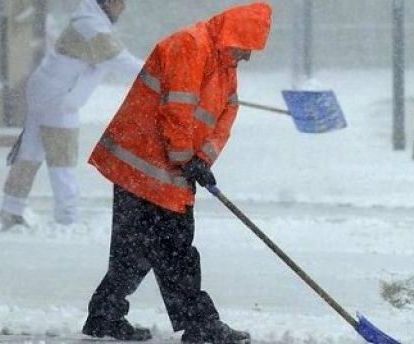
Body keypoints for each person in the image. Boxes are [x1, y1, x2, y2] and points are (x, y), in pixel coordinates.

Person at [81, 2, 272, 343]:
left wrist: (203, 159)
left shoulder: (224, 65)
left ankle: (104, 316)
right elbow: (177, 110)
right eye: (247, 48)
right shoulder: (190, 46)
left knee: (134, 249)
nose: (248, 57)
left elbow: (225, 116)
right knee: (175, 247)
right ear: (232, 37)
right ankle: (199, 323)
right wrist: (187, 158)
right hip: (144, 162)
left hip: (166, 167)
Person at [0, 0, 143, 230]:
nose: (123, 8)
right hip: (57, 99)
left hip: (47, 93)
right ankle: (67, 217)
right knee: (61, 158)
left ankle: (11, 209)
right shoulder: (91, 27)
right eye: (120, 2)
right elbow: (120, 61)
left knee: (30, 153)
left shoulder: (89, 22)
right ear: (107, 2)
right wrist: (159, 72)